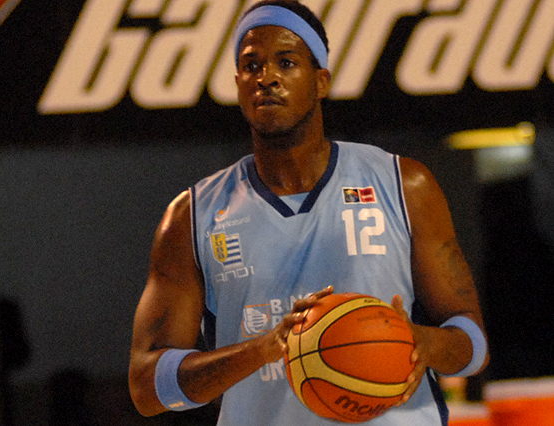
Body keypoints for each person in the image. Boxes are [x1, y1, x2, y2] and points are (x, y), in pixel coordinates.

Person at [128, 1, 489, 425]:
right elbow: (146, 388)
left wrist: (424, 344)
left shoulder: (403, 184)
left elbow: (473, 343)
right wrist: (262, 349)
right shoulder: (192, 217)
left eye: (286, 62)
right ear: (238, 84)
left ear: (321, 82)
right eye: (251, 66)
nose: (267, 77)